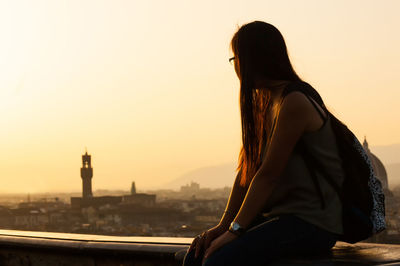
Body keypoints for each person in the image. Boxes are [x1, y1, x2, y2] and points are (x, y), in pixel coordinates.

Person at [182, 21, 343, 266]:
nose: (235, 66)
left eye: (235, 58)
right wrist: (223, 226)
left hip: (312, 222)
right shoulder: (264, 102)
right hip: (280, 218)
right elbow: (246, 170)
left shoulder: (294, 102)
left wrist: (234, 231)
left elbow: (268, 175)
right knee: (196, 256)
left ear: (250, 59)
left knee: (217, 261)